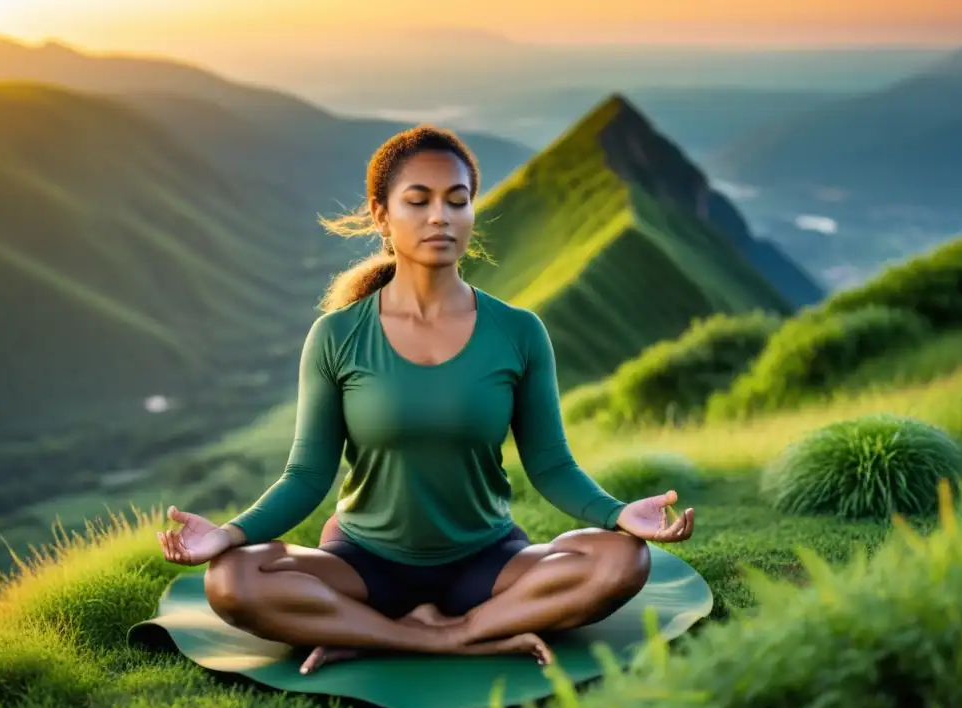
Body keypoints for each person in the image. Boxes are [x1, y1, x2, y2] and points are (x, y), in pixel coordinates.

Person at [157, 124, 696, 674]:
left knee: (622, 560)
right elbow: (306, 476)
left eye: (457, 201)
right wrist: (228, 534)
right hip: (364, 565)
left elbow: (552, 464)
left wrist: (617, 513)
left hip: (487, 562)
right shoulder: (337, 336)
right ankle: (442, 635)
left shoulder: (519, 332)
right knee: (232, 579)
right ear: (381, 215)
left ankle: (429, 633)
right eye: (418, 201)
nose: (441, 216)